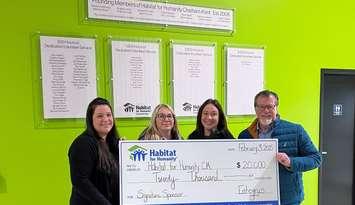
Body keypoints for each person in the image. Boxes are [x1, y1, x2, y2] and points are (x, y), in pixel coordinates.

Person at [238, 90, 322, 205]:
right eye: (261, 107)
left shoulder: (296, 130)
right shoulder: (245, 135)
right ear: (255, 109)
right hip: (255, 198)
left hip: (288, 199)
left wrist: (290, 162)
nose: (265, 111)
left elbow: (316, 158)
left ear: (276, 107)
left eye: (270, 107)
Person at [68, 97, 120, 205]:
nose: (106, 119)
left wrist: (125, 151)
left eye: (109, 115)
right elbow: (80, 181)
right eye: (100, 116)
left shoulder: (113, 143)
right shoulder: (83, 144)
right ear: (91, 120)